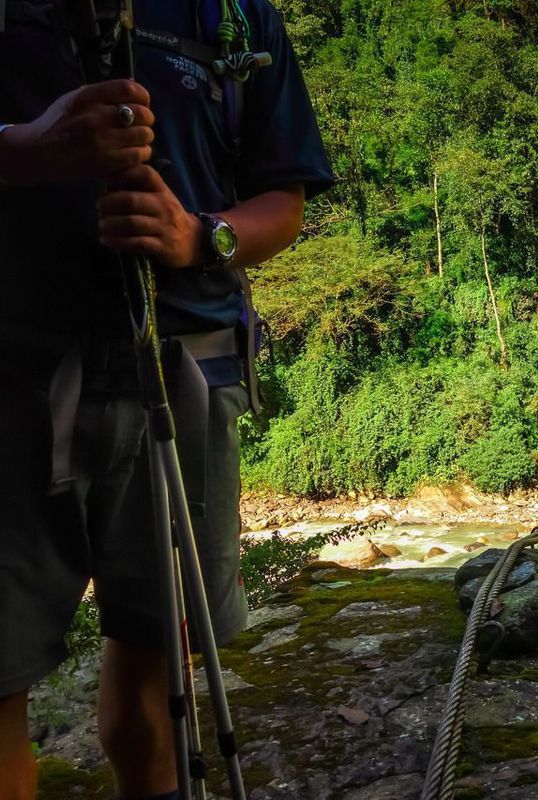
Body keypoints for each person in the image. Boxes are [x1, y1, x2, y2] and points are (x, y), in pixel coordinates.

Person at [0, 2, 333, 798]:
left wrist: (200, 235)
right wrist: (28, 150)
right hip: (13, 374)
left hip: (185, 362)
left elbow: (282, 201)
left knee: (158, 671)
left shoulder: (235, 16)